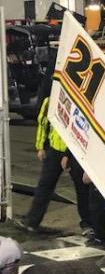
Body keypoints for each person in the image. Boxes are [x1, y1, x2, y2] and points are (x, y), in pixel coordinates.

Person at [15, 96, 92, 235]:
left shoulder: (81, 100)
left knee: (82, 189)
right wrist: (41, 146)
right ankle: (32, 221)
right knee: (45, 186)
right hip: (54, 150)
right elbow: (43, 122)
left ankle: (88, 224)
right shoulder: (51, 100)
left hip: (74, 152)